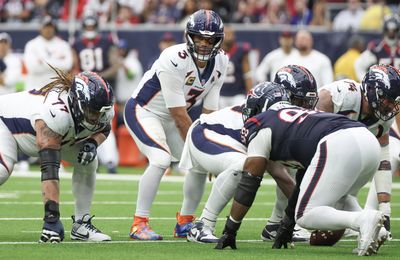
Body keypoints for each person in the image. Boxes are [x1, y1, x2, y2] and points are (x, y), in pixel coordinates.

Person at [215, 84, 387, 256]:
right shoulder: (299, 119)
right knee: (339, 197)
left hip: (340, 142)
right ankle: (378, 231)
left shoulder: (260, 123)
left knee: (306, 214)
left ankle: (362, 220)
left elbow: (249, 183)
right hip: (368, 141)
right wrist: (287, 226)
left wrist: (230, 230)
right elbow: (304, 180)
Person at [176, 65, 318, 243]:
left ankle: (275, 225)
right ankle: (203, 225)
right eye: (300, 101)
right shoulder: (272, 110)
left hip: (233, 139)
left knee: (289, 167)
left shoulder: (277, 111)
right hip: (209, 132)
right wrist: (309, 213)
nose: (304, 107)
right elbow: (277, 172)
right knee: (241, 166)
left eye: (308, 102)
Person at [123, 9, 228, 241]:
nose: (203, 43)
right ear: (189, 36)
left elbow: (210, 111)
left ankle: (185, 222)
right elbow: (179, 113)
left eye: (210, 39)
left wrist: (211, 143)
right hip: (145, 111)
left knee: (198, 164)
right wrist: (204, 146)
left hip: (172, 118)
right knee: (161, 159)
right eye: (199, 37)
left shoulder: (222, 61)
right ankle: (139, 224)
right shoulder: (173, 57)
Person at [0, 66, 114, 242]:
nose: (97, 117)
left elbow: (104, 128)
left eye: (100, 113)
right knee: (3, 169)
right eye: (93, 112)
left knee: (89, 161)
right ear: (77, 102)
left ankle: (81, 225)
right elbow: (49, 171)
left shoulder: (100, 110)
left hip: (49, 135)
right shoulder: (56, 114)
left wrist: (91, 144)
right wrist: (51, 219)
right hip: (5, 124)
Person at [316, 64, 400, 237]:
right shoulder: (343, 95)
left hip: (343, 157)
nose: (390, 106)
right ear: (370, 90)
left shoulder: (383, 118)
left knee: (370, 155)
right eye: (387, 99)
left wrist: (385, 209)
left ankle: (360, 218)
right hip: (312, 146)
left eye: (394, 101)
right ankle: (285, 221)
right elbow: (309, 125)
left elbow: (383, 161)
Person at [72, 14, 120, 173]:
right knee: (85, 125)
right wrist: (87, 81)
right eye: (88, 27)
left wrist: (96, 79)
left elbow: (115, 66)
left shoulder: (107, 42)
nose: (90, 30)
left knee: (105, 125)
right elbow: (73, 66)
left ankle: (110, 161)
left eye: (92, 27)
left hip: (104, 90)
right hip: (85, 91)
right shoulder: (76, 44)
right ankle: (94, 159)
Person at [23, 16, 73, 91]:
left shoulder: (63, 45)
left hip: (58, 90)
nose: (48, 30)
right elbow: (32, 68)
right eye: (45, 27)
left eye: (50, 27)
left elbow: (67, 65)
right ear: (40, 28)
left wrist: (43, 62)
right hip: (35, 89)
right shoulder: (31, 44)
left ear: (54, 28)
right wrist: (57, 62)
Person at [355, 14, 400, 81]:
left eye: (394, 31)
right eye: (388, 31)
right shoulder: (376, 48)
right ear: (384, 30)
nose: (391, 34)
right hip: (382, 89)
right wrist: (367, 83)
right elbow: (359, 65)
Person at [219, 25, 253, 108]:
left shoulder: (241, 51)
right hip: (220, 94)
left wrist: (250, 96)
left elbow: (247, 75)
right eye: (226, 34)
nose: (229, 37)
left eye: (231, 34)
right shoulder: (215, 52)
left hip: (237, 94)